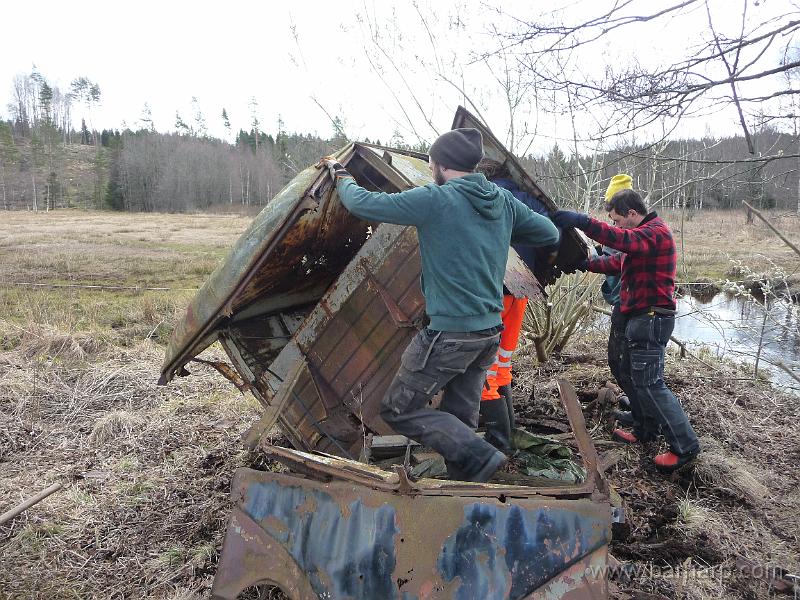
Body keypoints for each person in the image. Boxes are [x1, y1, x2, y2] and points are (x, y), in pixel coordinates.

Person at [321, 129, 560, 482]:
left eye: (432, 161)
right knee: (460, 415)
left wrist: (340, 175)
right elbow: (550, 234)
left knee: (398, 409)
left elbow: (363, 203)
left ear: (442, 164)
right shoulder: (501, 201)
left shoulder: (436, 199)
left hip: (449, 334)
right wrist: (499, 231)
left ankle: (480, 455)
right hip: (487, 334)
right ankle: (464, 483)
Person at [551, 190, 700, 472]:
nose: (618, 226)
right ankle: (645, 429)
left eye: (618, 220)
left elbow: (621, 240)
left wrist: (583, 221)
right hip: (639, 315)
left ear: (632, 213)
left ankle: (685, 446)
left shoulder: (655, 233)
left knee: (651, 383)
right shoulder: (641, 239)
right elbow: (618, 262)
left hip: (652, 317)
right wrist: (585, 263)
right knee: (633, 375)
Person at [475, 158, 560, 455]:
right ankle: (508, 432)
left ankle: (499, 443)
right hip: (520, 289)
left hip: (493, 290)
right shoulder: (527, 200)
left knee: (483, 370)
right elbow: (553, 238)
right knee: (502, 364)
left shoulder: (487, 198)